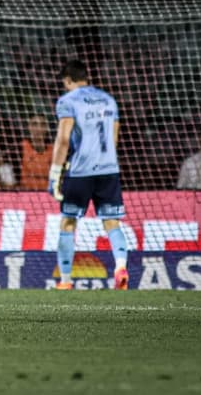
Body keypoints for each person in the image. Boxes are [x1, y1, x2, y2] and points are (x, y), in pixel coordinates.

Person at [48, 60, 129, 290]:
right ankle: (120, 266)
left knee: (68, 222)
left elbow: (63, 139)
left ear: (67, 80)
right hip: (109, 169)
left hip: (81, 170)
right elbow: (114, 138)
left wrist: (55, 173)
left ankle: (65, 281)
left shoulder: (68, 101)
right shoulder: (108, 100)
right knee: (112, 222)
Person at [19, 114, 53, 190]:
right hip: (26, 193)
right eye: (35, 124)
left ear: (47, 128)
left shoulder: (54, 150)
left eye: (43, 124)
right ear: (29, 127)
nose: (39, 128)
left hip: (48, 193)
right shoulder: (20, 148)